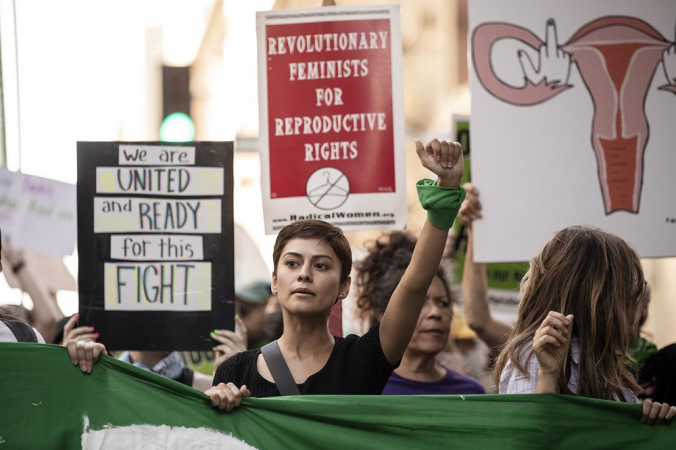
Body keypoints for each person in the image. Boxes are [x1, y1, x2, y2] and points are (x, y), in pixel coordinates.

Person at [207, 138, 466, 410]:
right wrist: (218, 403)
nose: (304, 274)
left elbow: (415, 284)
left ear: (344, 287)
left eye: (321, 265)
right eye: (292, 263)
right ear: (274, 281)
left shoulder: (364, 359)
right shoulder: (233, 372)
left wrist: (445, 193)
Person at [495, 226, 676, 424]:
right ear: (600, 298)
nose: (631, 304)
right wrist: (547, 376)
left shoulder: (601, 359)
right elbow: (531, 434)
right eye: (626, 292)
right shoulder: (537, 353)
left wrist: (645, 417)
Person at [355, 231, 484, 395]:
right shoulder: (361, 387)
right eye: (419, 304)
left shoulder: (470, 392)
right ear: (383, 315)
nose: (435, 313)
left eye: (443, 303)